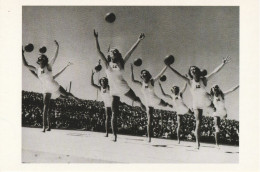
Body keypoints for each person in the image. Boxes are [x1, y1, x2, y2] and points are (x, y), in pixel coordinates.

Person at [167, 56, 231, 149]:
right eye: (191, 69)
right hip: (196, 104)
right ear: (190, 73)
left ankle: (221, 119)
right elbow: (178, 75)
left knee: (216, 110)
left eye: (194, 68)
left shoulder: (203, 80)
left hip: (207, 102)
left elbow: (214, 72)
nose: (193, 70)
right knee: (198, 123)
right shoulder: (189, 81)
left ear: (197, 71)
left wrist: (223, 64)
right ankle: (197, 143)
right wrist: (169, 67)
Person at [93, 30, 146, 142]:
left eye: (115, 51)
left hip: (123, 86)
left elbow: (130, 52)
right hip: (114, 91)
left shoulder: (121, 62)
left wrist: (139, 40)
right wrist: (96, 38)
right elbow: (98, 51)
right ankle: (114, 136)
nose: (114, 51)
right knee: (114, 113)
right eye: (112, 51)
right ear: (109, 55)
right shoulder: (107, 64)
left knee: (136, 99)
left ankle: (143, 107)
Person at [22, 40, 80, 132]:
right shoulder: (36, 69)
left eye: (40, 58)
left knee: (66, 95)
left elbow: (55, 57)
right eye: (39, 58)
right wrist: (22, 53)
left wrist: (57, 47)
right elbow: (25, 65)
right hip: (46, 89)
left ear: (44, 60)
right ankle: (44, 127)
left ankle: (75, 98)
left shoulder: (48, 66)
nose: (39, 59)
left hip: (54, 86)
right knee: (45, 108)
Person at [130, 64, 172, 142]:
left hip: (155, 99)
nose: (144, 73)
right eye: (142, 73)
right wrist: (132, 70)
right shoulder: (140, 83)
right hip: (148, 102)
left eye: (145, 72)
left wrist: (167, 65)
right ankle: (149, 138)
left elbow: (160, 74)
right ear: (141, 76)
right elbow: (132, 80)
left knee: (165, 104)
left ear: (148, 74)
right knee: (149, 120)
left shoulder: (151, 81)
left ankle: (168, 104)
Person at [91, 70, 112, 137]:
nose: (103, 82)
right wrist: (92, 75)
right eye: (102, 81)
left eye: (104, 80)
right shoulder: (100, 88)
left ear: (106, 82)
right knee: (107, 118)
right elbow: (92, 84)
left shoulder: (109, 87)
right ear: (100, 82)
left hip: (112, 104)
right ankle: (107, 133)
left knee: (113, 118)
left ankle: (114, 133)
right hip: (106, 104)